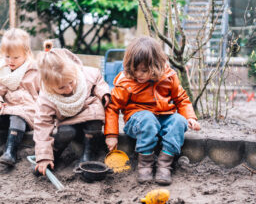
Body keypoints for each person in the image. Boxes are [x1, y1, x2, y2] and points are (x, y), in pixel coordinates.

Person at [104, 36, 201, 185]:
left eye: (144, 70)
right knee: (148, 119)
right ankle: (145, 164)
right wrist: (111, 134)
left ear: (156, 65)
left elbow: (181, 98)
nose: (138, 74)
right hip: (137, 121)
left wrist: (190, 117)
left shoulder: (169, 77)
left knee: (179, 121)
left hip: (163, 118)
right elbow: (112, 106)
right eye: (135, 70)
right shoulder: (126, 82)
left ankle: (164, 163)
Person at [34, 40, 110, 175]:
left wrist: (103, 93)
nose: (68, 89)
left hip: (87, 111)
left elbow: (98, 80)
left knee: (96, 113)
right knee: (67, 132)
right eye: (61, 87)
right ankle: (53, 156)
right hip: (67, 121)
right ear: (49, 86)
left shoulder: (85, 74)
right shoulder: (46, 98)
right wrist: (43, 156)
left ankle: (88, 153)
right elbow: (42, 125)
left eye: (71, 82)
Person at [0, 28, 40, 166]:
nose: (10, 61)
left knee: (17, 115)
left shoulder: (34, 69)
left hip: (26, 112)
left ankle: (10, 151)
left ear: (27, 53)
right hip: (6, 110)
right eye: (7, 56)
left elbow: (44, 92)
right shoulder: (2, 70)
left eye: (16, 57)